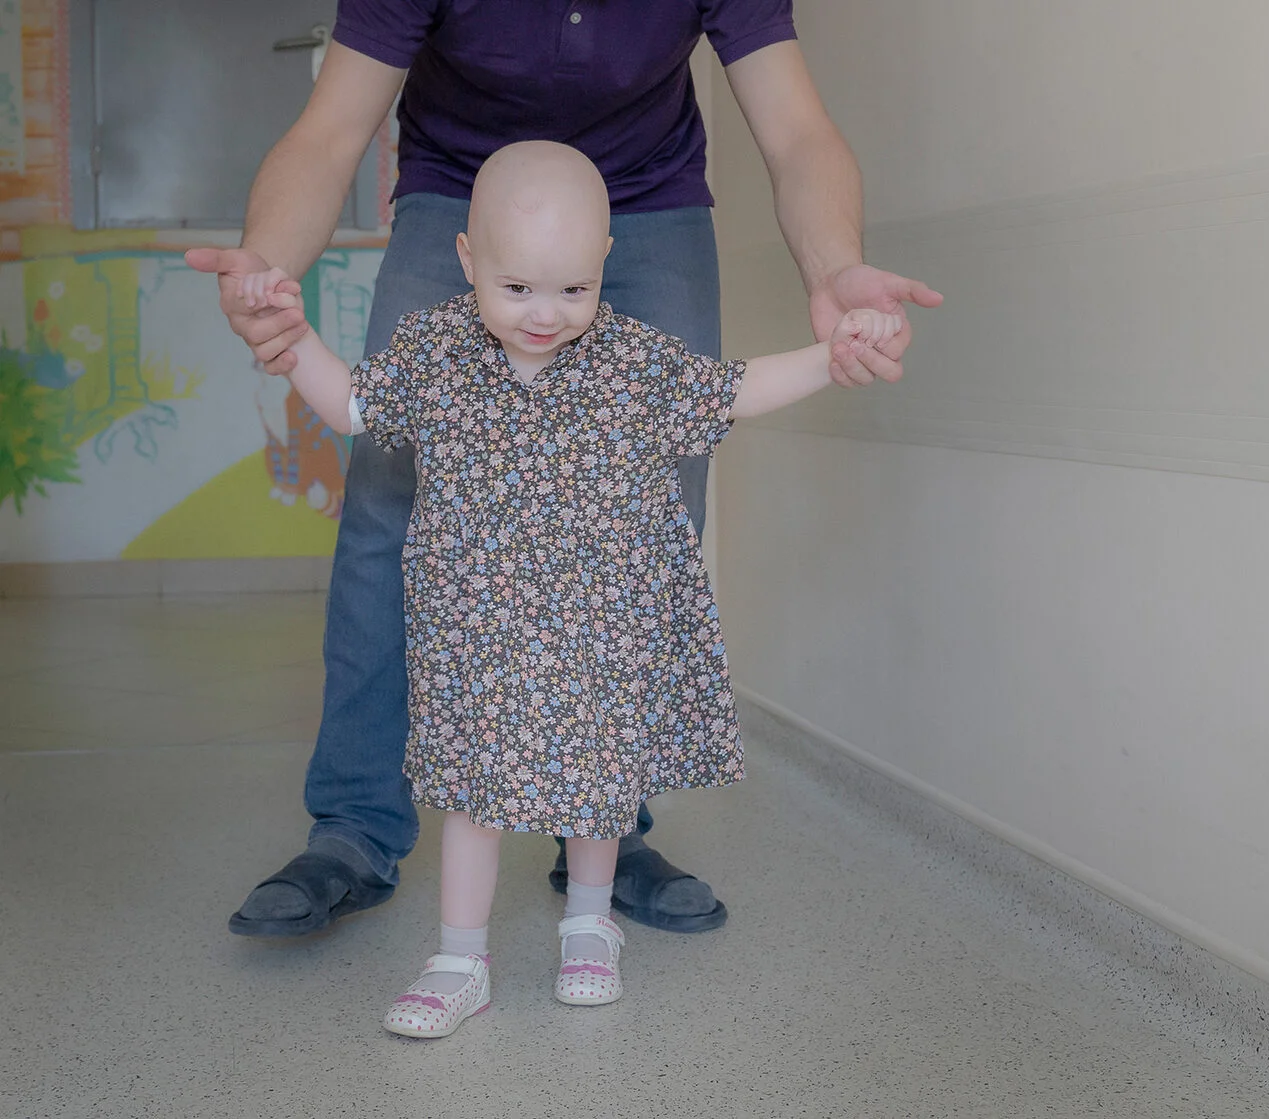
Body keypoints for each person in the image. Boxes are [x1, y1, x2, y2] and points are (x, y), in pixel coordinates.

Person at [185, 1, 942, 939]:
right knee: (392, 495)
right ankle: (354, 826)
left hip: (647, 201)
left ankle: (606, 825)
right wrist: (268, 273)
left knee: (650, 512)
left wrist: (836, 271)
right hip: (459, 194)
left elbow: (796, 132)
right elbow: (331, 129)